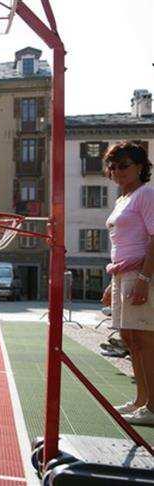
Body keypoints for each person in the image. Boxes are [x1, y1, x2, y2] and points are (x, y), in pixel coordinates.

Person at [100, 141, 154, 425]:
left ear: (141, 167)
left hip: (142, 273)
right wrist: (114, 281)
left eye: (124, 165)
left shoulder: (146, 194)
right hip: (123, 273)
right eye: (113, 165)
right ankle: (141, 400)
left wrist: (144, 279)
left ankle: (153, 406)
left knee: (145, 340)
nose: (117, 170)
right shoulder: (123, 199)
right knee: (131, 339)